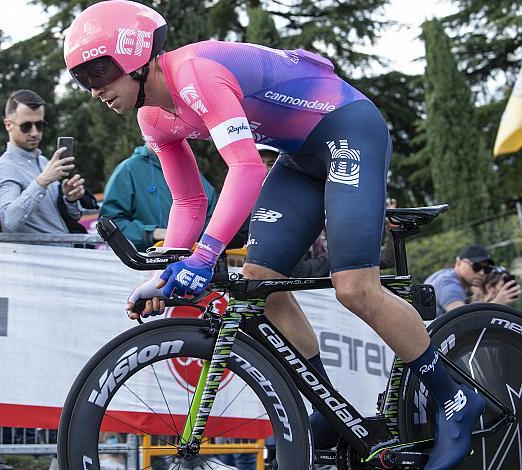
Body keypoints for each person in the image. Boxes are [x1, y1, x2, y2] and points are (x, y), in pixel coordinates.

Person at [63, 3, 485, 469]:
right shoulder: (153, 117)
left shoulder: (194, 73)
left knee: (356, 288)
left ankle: (454, 398)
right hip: (299, 156)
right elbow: (188, 203)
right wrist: (167, 274)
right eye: (83, 78)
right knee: (260, 284)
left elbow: (245, 169)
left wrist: (203, 258)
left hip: (348, 129)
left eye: (100, 70)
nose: (96, 87)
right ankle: (327, 406)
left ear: (139, 58)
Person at [0, 89, 96, 233]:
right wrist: (42, 182)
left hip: (61, 251)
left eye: (39, 125)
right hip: (37, 254)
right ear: (8, 125)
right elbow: (9, 221)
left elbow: (73, 217)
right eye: (26, 126)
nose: (34, 133)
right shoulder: (4, 168)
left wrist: (70, 199)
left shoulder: (44, 161)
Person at [100, 143, 218, 251]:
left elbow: (213, 224)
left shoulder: (195, 174)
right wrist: (153, 233)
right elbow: (110, 224)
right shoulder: (128, 169)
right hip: (143, 265)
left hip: (191, 265)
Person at [425, 244, 520, 315]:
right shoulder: (449, 285)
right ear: (458, 262)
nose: (482, 273)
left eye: (487, 269)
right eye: (476, 266)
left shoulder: (447, 275)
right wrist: (498, 303)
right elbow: (463, 319)